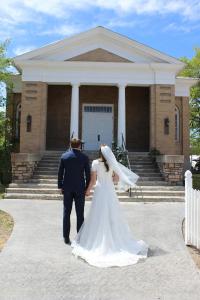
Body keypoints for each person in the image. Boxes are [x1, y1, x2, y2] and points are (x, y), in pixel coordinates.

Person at [71, 145, 148, 268]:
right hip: (110, 190)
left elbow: (92, 180)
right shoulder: (112, 163)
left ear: (99, 153)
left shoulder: (95, 163)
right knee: (112, 213)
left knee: (98, 214)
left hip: (100, 190)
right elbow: (117, 180)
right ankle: (116, 239)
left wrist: (88, 191)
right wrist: (109, 178)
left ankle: (96, 240)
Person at [58, 138, 90, 245]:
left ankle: (66, 238)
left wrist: (60, 186)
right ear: (80, 145)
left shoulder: (64, 156)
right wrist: (86, 188)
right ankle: (79, 238)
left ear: (70, 145)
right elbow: (88, 175)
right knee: (80, 213)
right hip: (80, 188)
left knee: (66, 212)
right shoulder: (84, 157)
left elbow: (60, 173)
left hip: (67, 187)